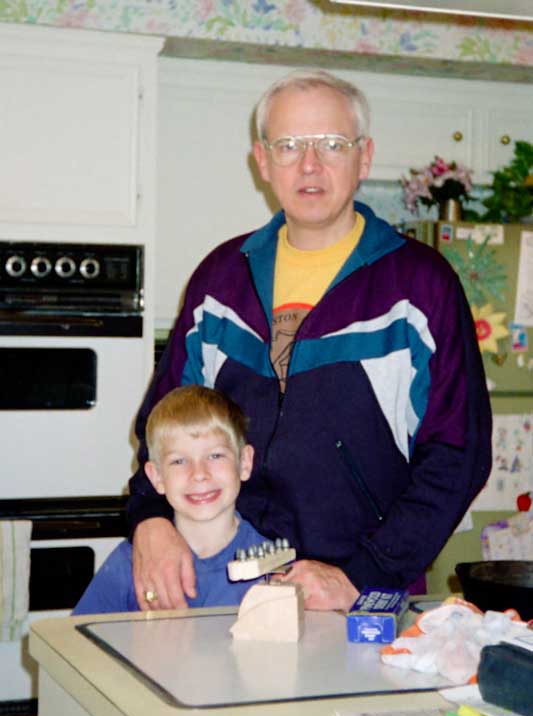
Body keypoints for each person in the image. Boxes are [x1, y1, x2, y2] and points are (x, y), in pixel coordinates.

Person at [128, 69, 492, 614]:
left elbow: (458, 454)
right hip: (226, 578)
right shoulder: (220, 279)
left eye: (332, 144)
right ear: (262, 159)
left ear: (364, 157)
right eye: (290, 145)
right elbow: (163, 424)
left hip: (364, 589)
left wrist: (361, 575)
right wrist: (150, 518)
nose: (310, 164)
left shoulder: (420, 286)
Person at [73, 385, 268, 614]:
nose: (198, 473)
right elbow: (75, 643)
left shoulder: (274, 567)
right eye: (179, 461)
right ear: (156, 477)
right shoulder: (130, 563)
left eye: (215, 455)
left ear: (244, 462)